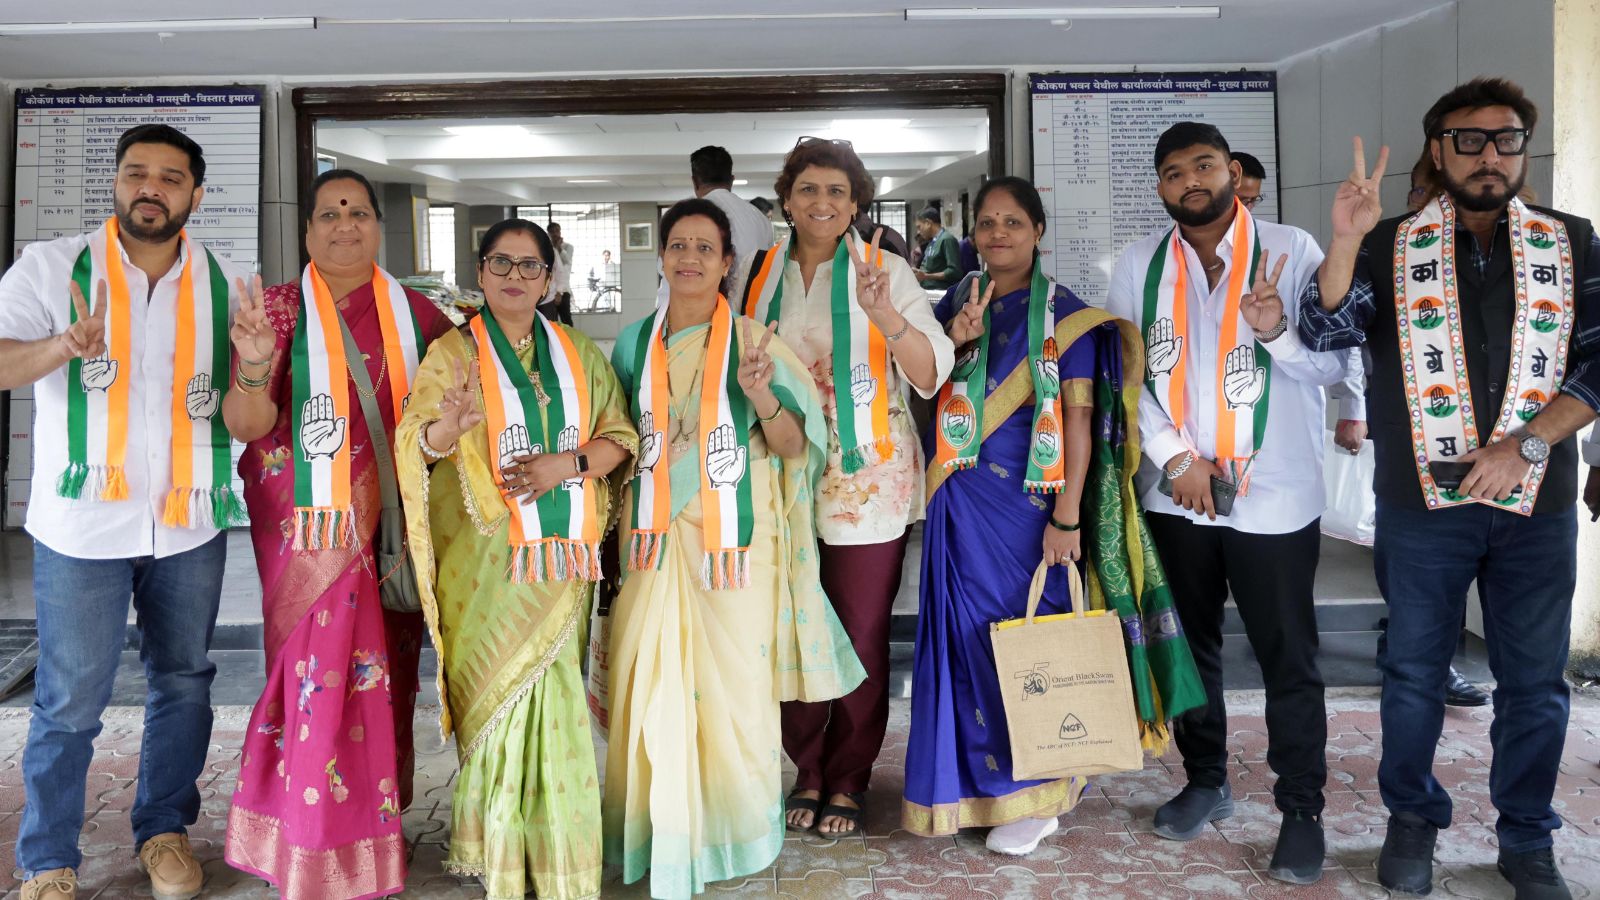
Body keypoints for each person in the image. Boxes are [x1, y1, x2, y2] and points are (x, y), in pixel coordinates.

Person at [1299, 78, 1600, 898]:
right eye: (1470, 140)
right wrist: (1344, 240)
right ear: (1439, 150)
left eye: (1507, 140)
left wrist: (1526, 444)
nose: (1490, 156)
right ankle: (1412, 819)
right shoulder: (1391, 244)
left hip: (1535, 504)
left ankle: (1526, 837)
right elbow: (1324, 330)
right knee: (1414, 674)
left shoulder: (1571, 243)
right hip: (1421, 505)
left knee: (1534, 683)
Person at [902, 176, 1205, 854]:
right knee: (963, 643)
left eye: (1013, 222)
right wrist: (952, 336)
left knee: (1024, 643)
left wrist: (1066, 517)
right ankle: (975, 786)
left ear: (1038, 232)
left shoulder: (1067, 317)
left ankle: (1041, 791)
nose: (998, 234)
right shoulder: (959, 301)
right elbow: (926, 392)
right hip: (960, 500)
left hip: (1027, 507)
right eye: (987, 223)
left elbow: (1078, 424)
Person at [0, 124, 241, 900]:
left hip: (188, 522)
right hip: (81, 524)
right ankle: (47, 860)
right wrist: (62, 347)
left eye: (170, 177)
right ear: (116, 181)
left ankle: (164, 830)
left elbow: (247, 408)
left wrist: (260, 366)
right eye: (137, 172)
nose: (151, 188)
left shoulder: (228, 282)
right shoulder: (50, 268)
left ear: (195, 193)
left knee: (185, 682)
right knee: (70, 700)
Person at [1105, 121, 1346, 885]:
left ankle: (1301, 809)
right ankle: (1205, 778)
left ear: (1233, 172)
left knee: (1288, 655)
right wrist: (1176, 458)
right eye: (1174, 172)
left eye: (1204, 165)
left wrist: (1275, 332)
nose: (1191, 182)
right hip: (1179, 495)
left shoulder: (1291, 249)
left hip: (1274, 495)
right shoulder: (1139, 263)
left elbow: (1333, 366)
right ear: (1160, 187)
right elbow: (1126, 372)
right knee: (1191, 643)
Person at [601, 198, 862, 898]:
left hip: (736, 546)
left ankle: (734, 830)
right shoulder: (631, 345)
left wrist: (762, 396)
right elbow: (617, 443)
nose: (689, 258)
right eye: (677, 245)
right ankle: (658, 831)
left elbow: (795, 448)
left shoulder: (757, 343)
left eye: (704, 248)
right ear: (661, 258)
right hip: (653, 541)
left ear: (726, 264)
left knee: (737, 690)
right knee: (650, 683)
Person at [221, 168, 453, 900]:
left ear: (379, 225)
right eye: (328, 213)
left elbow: (450, 429)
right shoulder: (275, 311)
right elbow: (247, 427)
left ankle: (369, 836)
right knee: (310, 680)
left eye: (357, 211)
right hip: (303, 537)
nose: (344, 224)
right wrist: (253, 364)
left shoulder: (422, 318)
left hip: (388, 539)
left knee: (385, 679)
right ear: (307, 230)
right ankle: (302, 836)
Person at [395, 218, 636, 899]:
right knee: (496, 700)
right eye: (501, 263)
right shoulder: (451, 354)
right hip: (482, 567)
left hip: (559, 566)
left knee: (553, 695)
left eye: (530, 265)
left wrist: (566, 464)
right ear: (480, 273)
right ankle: (499, 853)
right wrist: (448, 427)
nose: (515, 276)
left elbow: (620, 437)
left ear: (549, 279)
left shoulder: (579, 354)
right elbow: (417, 443)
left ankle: (559, 854)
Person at [741, 138, 954, 837]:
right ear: (787, 199)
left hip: (865, 482)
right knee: (792, 624)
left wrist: (885, 314)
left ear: (856, 202)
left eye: (837, 191)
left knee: (859, 633)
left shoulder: (886, 270)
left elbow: (931, 372)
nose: (822, 202)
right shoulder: (758, 273)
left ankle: (849, 775)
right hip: (781, 474)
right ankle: (806, 767)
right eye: (808, 189)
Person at [1333, 155, 1491, 708]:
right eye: (1418, 192)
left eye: (1436, 192)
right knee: (1406, 564)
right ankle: (1407, 651)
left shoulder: (1497, 262)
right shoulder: (1389, 253)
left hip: (1494, 461)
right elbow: (1344, 337)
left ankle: (1433, 660)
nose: (1425, 204)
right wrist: (1355, 407)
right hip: (1407, 453)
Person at [690, 145, 778, 299]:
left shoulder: (690, 216)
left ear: (695, 182)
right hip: (755, 306)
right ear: (731, 180)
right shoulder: (760, 218)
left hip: (711, 307)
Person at [913, 206, 961, 290]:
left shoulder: (947, 239)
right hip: (927, 289)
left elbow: (955, 271)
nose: (918, 232)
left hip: (940, 291)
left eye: (919, 227)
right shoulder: (932, 241)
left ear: (928, 223)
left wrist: (926, 276)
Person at [543, 222, 575, 326]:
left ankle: (569, 337)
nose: (555, 234)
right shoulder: (547, 249)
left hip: (564, 289)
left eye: (557, 231)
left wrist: (558, 248)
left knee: (566, 319)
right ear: (548, 233)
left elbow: (567, 261)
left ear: (560, 232)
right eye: (552, 232)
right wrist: (553, 247)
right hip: (550, 291)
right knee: (552, 320)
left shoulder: (568, 247)